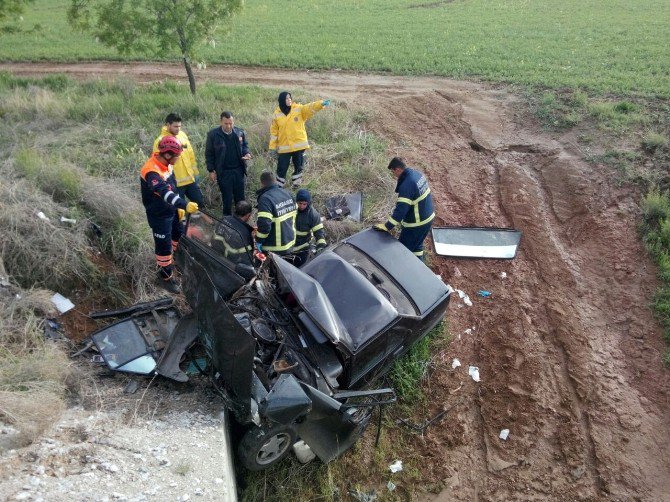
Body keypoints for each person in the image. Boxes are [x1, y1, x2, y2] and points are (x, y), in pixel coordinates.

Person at [140, 136, 199, 293]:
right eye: (177, 156)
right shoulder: (151, 171)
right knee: (164, 248)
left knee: (178, 236)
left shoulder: (167, 165)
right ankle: (165, 278)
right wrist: (184, 204)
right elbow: (164, 193)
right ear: (167, 155)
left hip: (171, 210)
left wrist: (178, 205)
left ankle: (177, 261)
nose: (178, 159)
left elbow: (172, 187)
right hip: (159, 215)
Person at [375, 157, 435, 261]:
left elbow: (401, 211)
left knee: (402, 252)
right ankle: (422, 273)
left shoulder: (407, 185)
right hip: (428, 219)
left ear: (397, 169)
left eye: (393, 172)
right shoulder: (417, 175)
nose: (394, 175)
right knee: (417, 248)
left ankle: (398, 275)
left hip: (416, 225)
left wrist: (387, 226)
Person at [269, 91, 330, 188]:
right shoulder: (277, 114)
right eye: (286, 98)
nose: (289, 100)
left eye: (290, 98)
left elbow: (310, 107)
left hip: (299, 145)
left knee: (298, 166)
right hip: (285, 147)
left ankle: (296, 185)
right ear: (281, 100)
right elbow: (274, 133)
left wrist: (320, 104)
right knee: (281, 167)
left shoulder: (298, 109)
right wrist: (272, 147)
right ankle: (279, 187)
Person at [205, 111, 252, 216]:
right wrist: (211, 170)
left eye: (231, 123)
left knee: (240, 199)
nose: (229, 126)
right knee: (227, 199)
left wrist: (247, 153)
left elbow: (245, 146)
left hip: (238, 170)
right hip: (224, 172)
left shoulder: (239, 132)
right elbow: (209, 154)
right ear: (221, 122)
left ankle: (241, 220)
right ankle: (227, 221)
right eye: (226, 123)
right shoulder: (213, 135)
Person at [152, 113, 203, 207]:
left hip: (190, 179)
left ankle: (205, 221)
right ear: (168, 125)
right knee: (180, 209)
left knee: (199, 204)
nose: (178, 129)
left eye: (179, 126)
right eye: (175, 126)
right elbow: (159, 164)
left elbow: (190, 154)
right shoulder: (160, 141)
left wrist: (195, 173)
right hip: (175, 183)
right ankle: (185, 221)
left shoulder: (182, 135)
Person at [255, 171, 297, 255]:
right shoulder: (287, 193)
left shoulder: (265, 199)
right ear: (275, 181)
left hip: (274, 248)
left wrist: (258, 240)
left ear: (262, 183)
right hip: (291, 243)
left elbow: (264, 225)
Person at [212, 200, 254, 266]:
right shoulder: (245, 233)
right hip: (229, 264)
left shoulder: (224, 219)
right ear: (248, 215)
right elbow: (247, 260)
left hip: (214, 254)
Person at [293, 189, 326, 267]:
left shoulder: (313, 215)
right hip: (287, 250)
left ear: (308, 203)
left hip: (302, 251)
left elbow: (319, 233)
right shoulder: (291, 210)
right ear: (296, 202)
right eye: (300, 203)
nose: (302, 206)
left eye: (304, 204)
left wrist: (321, 247)